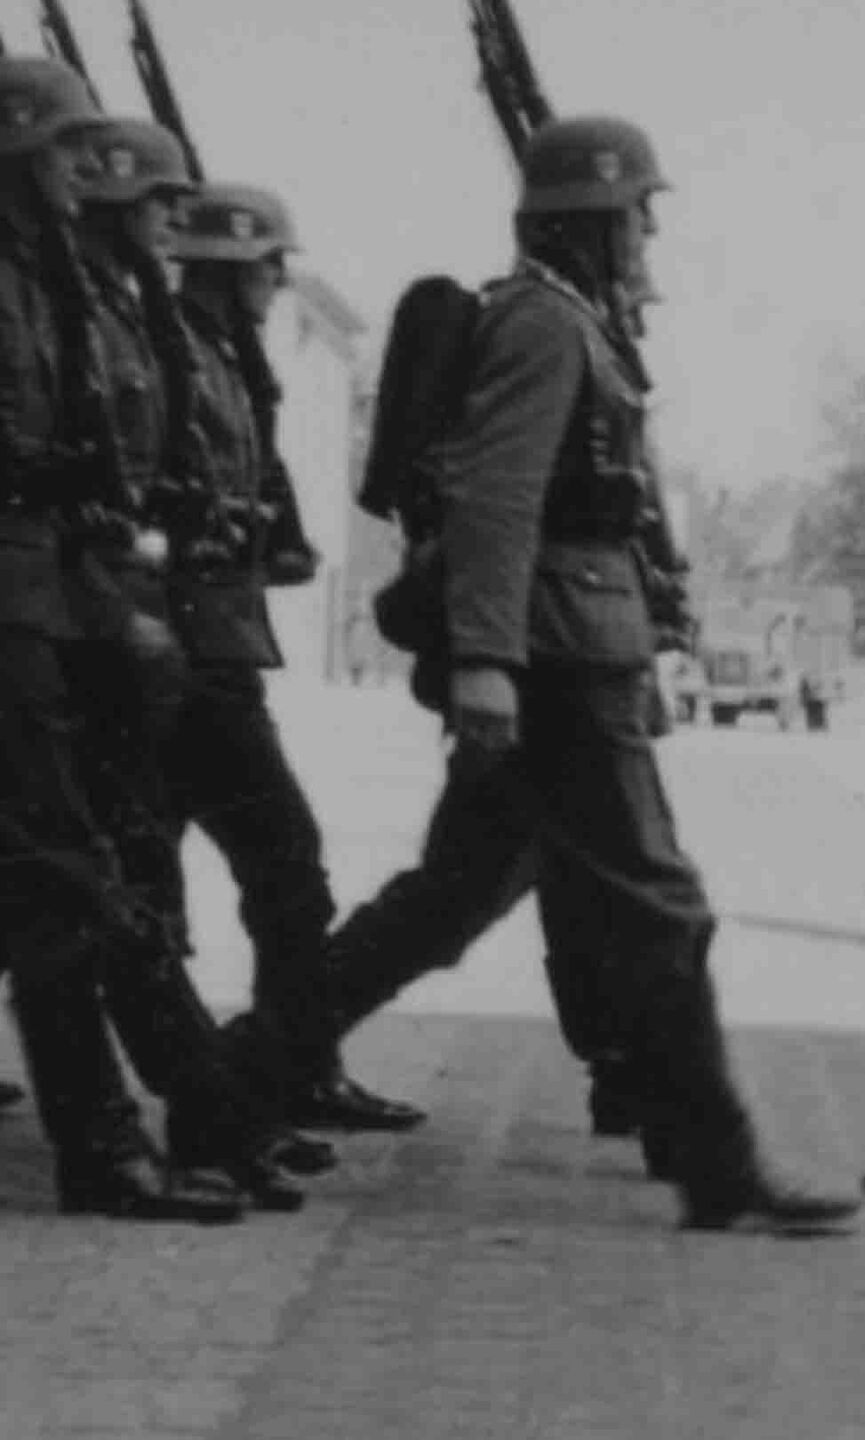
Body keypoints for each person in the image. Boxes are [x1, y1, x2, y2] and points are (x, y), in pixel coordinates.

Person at [224, 115, 865, 1232]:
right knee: (659, 906)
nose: (647, 237)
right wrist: (486, 661)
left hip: (570, 652)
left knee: (448, 903)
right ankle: (720, 1166)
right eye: (637, 216)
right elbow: (498, 495)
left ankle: (229, 1078)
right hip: (558, 666)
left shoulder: (575, 321)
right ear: (590, 218)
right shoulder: (542, 323)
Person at [0, 65, 317, 1222]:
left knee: (107, 882)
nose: (82, 175)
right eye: (64, 153)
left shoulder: (61, 291)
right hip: (24, 612)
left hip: (68, 607)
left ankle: (209, 1123)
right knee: (63, 886)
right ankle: (110, 1146)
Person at [157, 180, 424, 1137]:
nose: (279, 283)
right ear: (230, 271)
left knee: (262, 873)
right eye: (269, 266)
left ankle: (286, 1075)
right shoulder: (174, 353)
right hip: (172, 662)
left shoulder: (231, 361)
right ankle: (259, 1088)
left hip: (215, 653)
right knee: (265, 869)